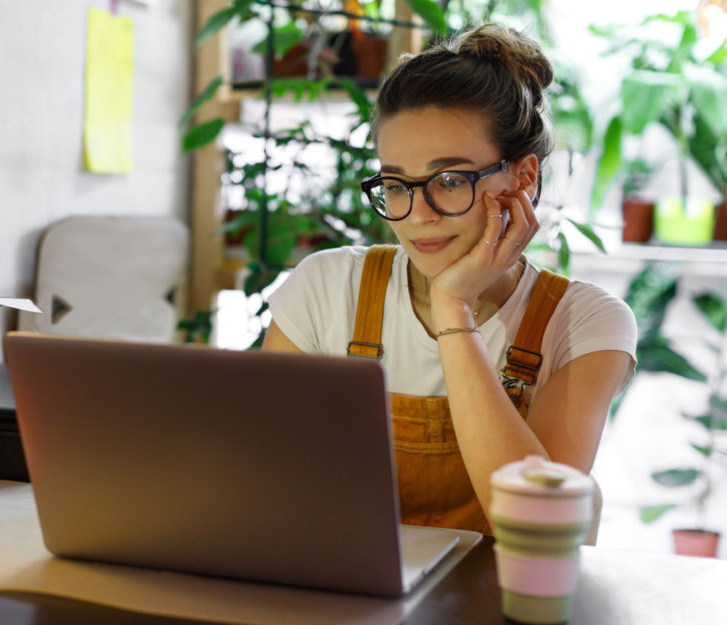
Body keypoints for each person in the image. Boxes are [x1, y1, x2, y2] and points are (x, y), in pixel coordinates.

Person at [262, 23, 637, 535]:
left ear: (522, 178)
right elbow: (265, 482)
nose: (417, 214)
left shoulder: (585, 324)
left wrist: (454, 309)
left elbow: (539, 525)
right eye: (396, 184)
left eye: (450, 180)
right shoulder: (328, 286)